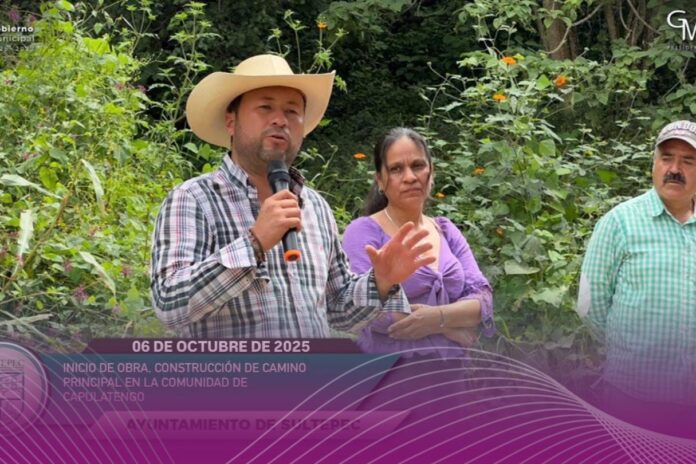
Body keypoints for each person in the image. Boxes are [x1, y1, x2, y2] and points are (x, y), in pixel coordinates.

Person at [150, 55, 435, 338]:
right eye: (265, 107)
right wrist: (255, 243)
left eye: (292, 111)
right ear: (231, 121)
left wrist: (381, 281)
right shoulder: (193, 199)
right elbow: (168, 305)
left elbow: (339, 310)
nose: (280, 120)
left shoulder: (316, 207)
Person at [577, 120, 696, 433]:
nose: (675, 169)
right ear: (653, 164)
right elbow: (590, 306)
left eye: (688, 161)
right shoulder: (619, 223)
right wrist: (630, 352)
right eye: (667, 158)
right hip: (632, 396)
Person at [342, 127, 495, 357]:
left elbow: (482, 298)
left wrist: (436, 319)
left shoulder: (445, 230)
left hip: (451, 373)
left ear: (431, 172)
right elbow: (364, 309)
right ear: (380, 180)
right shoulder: (363, 232)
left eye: (418, 166)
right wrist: (450, 326)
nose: (410, 177)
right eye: (396, 169)